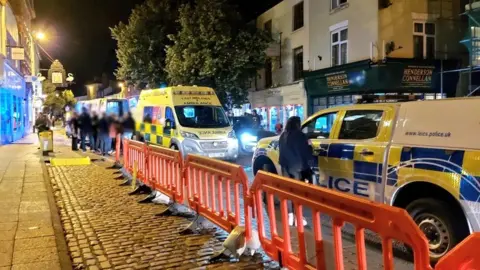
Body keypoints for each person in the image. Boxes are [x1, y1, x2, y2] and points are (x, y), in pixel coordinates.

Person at [278, 116, 313, 226]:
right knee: (297, 193)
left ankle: (290, 216)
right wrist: (310, 146)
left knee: (288, 191)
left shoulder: (283, 135)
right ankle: (299, 218)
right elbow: (306, 153)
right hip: (297, 167)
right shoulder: (301, 136)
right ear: (298, 124)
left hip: (285, 166)